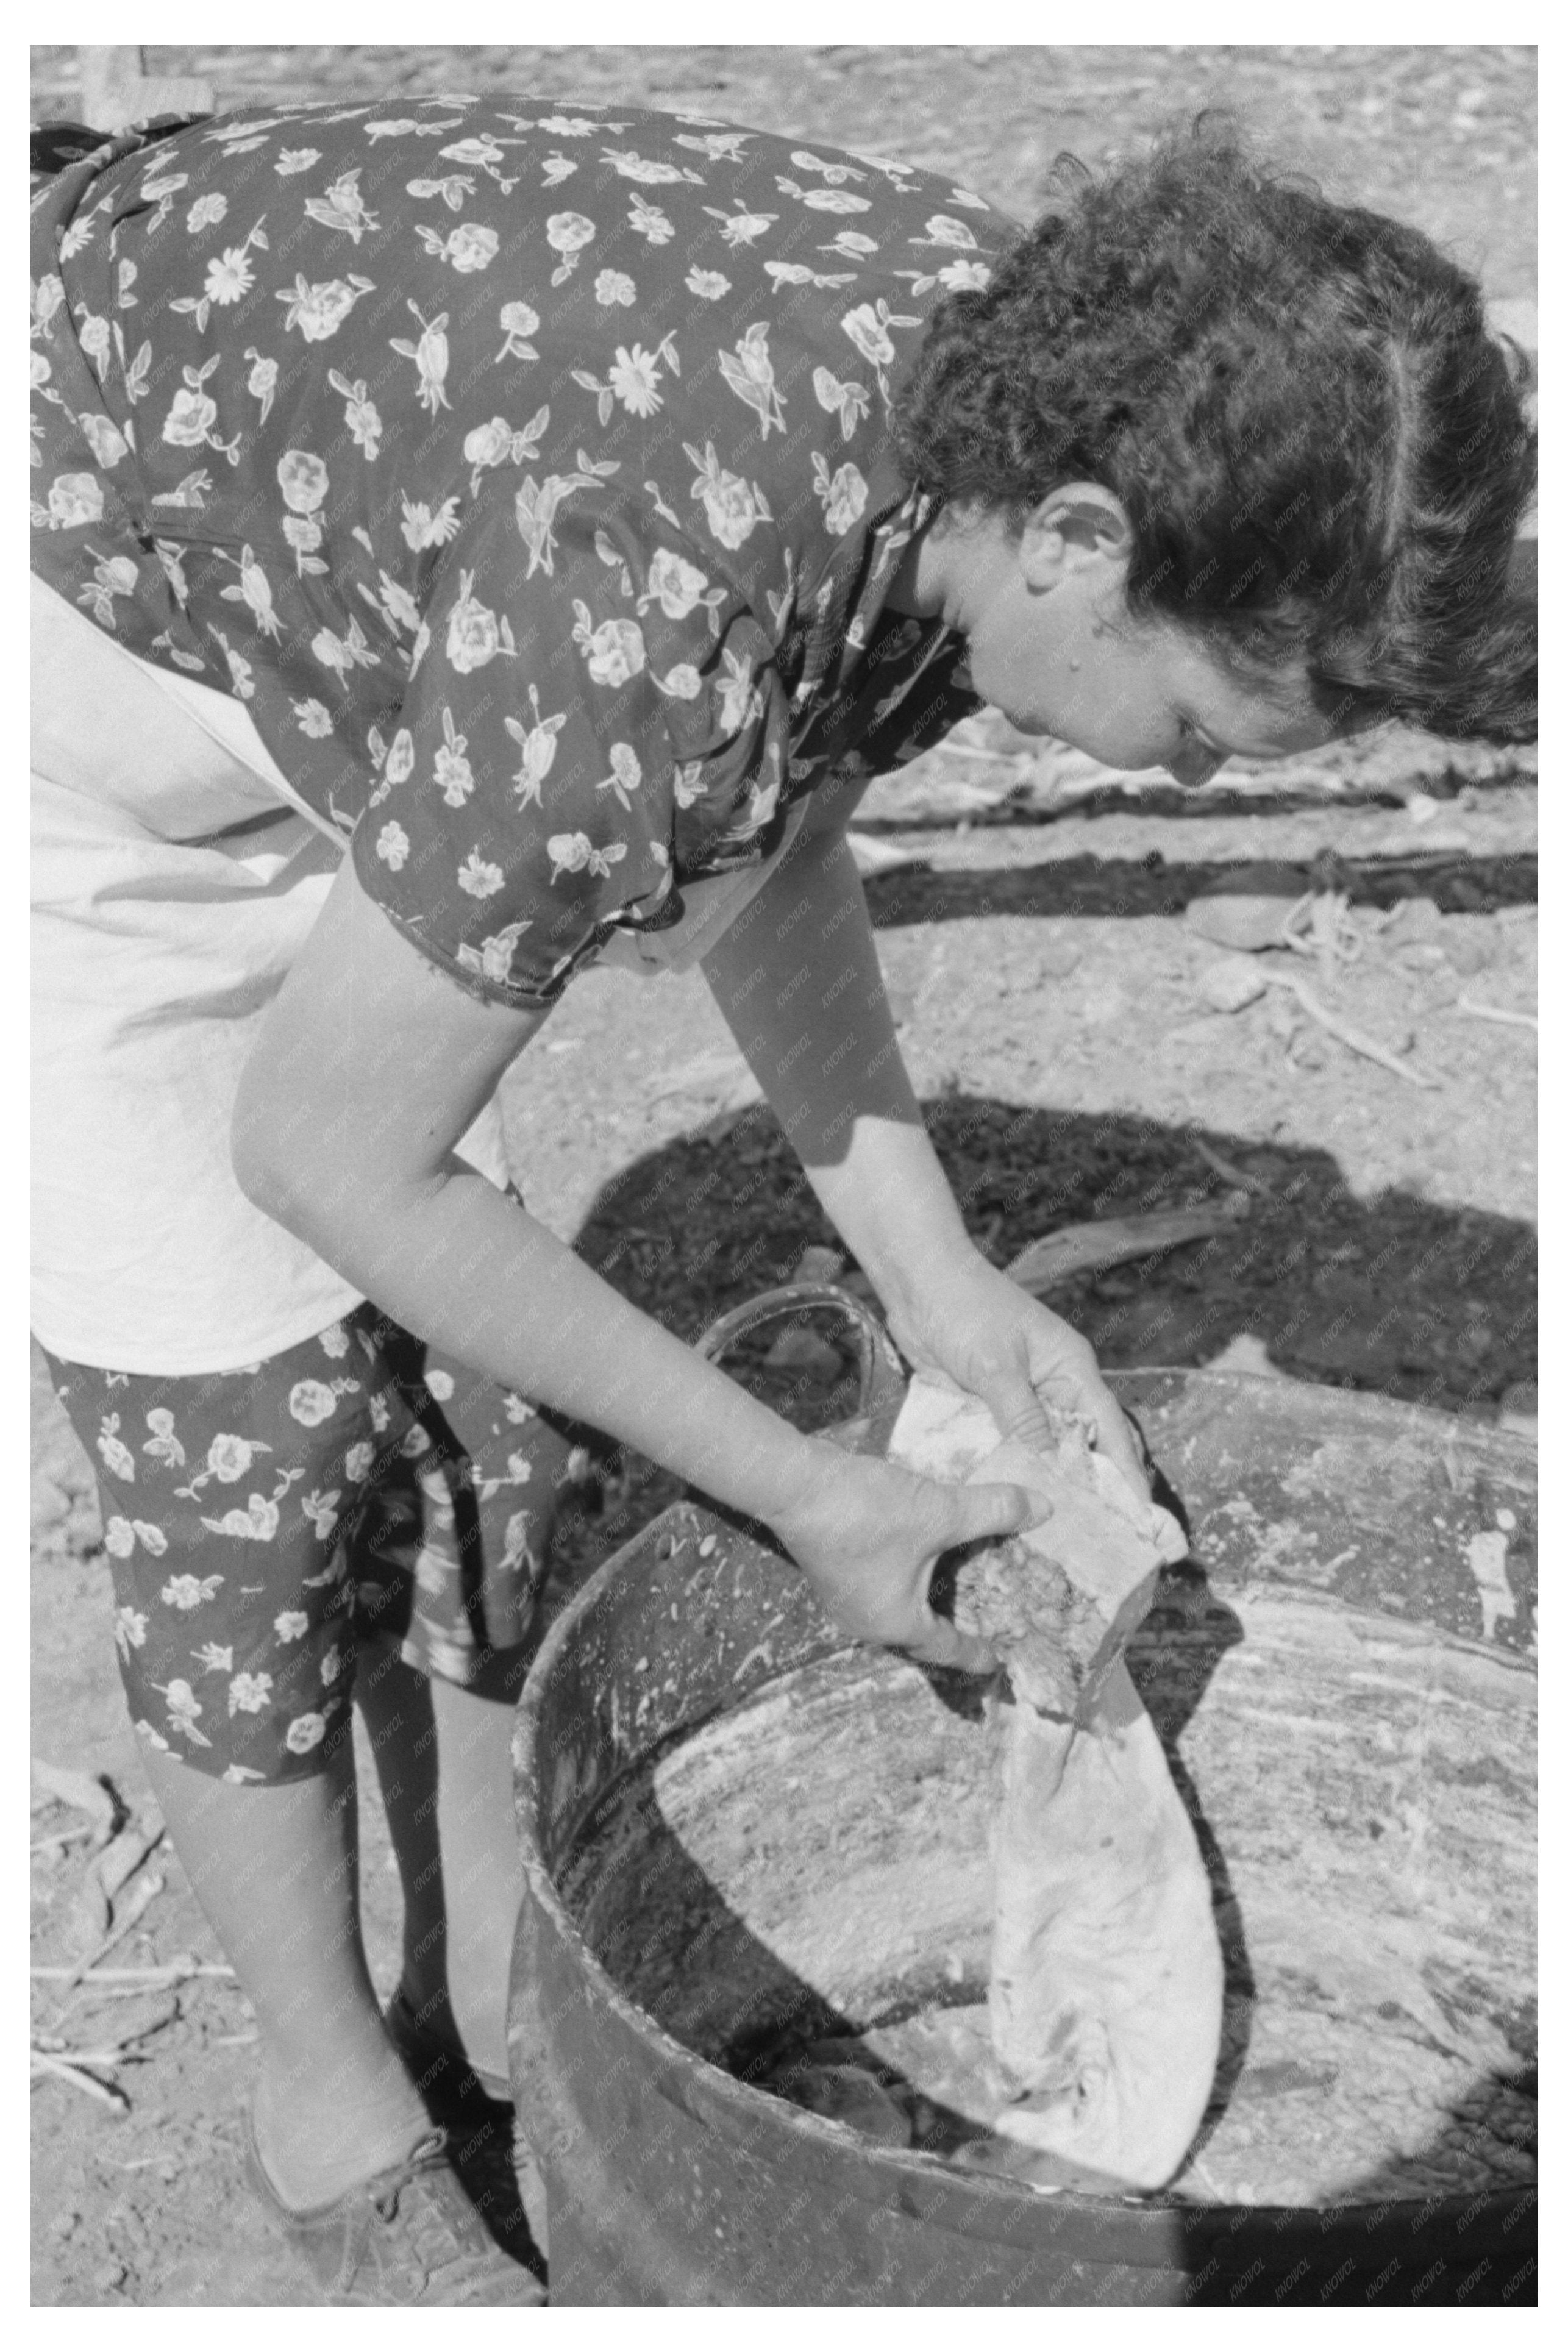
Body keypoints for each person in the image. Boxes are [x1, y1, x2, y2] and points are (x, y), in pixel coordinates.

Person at [30, 93, 1534, 2303]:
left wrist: (933, 1282)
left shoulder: (1013, 412)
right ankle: (326, 2097)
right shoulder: (648, 600)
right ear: (1090, 546)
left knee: (488, 1432)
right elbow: (324, 1151)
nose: (1182, 782)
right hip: (82, 687)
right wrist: (798, 1490)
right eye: (1208, 740)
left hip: (379, 638)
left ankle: (483, 1990)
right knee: (244, 1458)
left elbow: (769, 817)